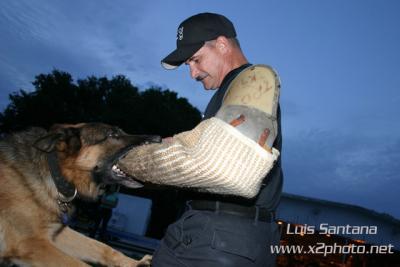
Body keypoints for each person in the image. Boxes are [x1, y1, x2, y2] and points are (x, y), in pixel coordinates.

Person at [119, 12, 283, 267]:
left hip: (224, 237)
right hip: (204, 229)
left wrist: (134, 161)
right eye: (188, 65)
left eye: (196, 60)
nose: (193, 73)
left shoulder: (254, 80)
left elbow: (226, 170)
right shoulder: (229, 94)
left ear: (222, 44)